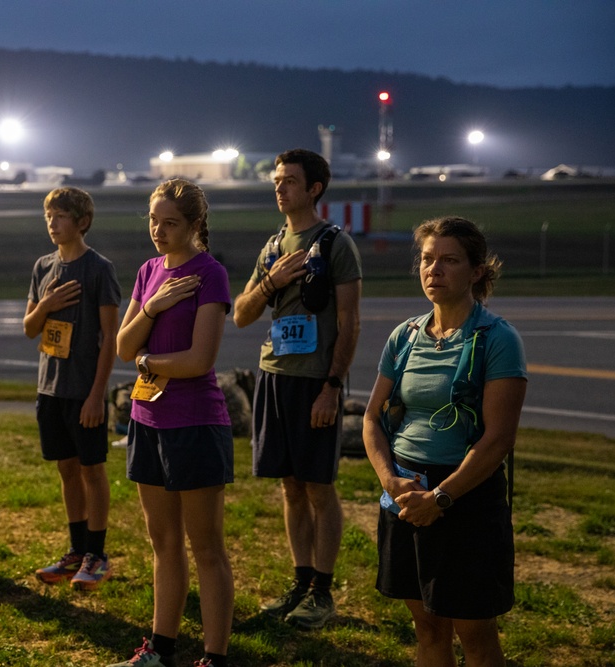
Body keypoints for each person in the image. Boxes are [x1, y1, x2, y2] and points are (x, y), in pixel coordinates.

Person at [362, 217, 527, 666]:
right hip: (405, 492)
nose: (433, 269)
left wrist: (442, 497)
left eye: (449, 260)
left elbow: (498, 439)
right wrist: (391, 482)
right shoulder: (406, 335)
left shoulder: (497, 339)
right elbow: (372, 418)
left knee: (474, 632)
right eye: (427, 259)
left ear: (476, 271)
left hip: (464, 497)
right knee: (429, 628)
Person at [232, 148, 362, 629]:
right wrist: (271, 282)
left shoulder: (334, 244)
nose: (279, 187)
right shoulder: (272, 246)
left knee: (319, 487)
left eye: (289, 180)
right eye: (277, 180)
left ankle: (323, 593)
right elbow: (242, 313)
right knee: (289, 487)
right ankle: (300, 582)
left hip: (314, 382)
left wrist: (333, 387)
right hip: (274, 376)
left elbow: (349, 324)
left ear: (314, 189)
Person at [109, 179, 234, 667]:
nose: (158, 231)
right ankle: (160, 651)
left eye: (171, 223)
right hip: (147, 418)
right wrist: (154, 305)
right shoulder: (148, 272)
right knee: (163, 545)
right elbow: (122, 347)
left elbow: (198, 361)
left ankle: (214, 657)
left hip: (195, 422)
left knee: (206, 548)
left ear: (195, 224)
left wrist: (145, 361)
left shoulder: (210, 274)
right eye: (153, 220)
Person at [24, 186, 121, 591]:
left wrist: (98, 394)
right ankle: (76, 550)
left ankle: (97, 555)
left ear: (82, 222)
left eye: (61, 216)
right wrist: (45, 305)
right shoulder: (42, 267)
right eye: (48, 215)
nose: (52, 223)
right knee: (66, 469)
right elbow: (30, 328)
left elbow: (110, 336)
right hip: (50, 389)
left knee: (92, 470)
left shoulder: (99, 269)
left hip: (85, 390)